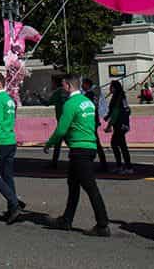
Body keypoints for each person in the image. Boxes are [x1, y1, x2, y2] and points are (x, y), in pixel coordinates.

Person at [44, 73, 110, 237]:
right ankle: (66, 219)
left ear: (67, 85)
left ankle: (102, 225)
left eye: (62, 85)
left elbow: (61, 129)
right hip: (89, 146)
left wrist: (49, 144)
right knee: (73, 184)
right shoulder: (87, 102)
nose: (62, 88)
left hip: (79, 149)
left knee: (90, 187)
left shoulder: (70, 104)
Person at [0, 73, 23, 224]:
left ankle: (14, 203)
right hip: (10, 139)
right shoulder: (9, 100)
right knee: (7, 175)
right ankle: (12, 208)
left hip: (1, 141)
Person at [105, 81, 133, 174]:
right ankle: (123, 165)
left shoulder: (118, 97)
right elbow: (127, 110)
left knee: (118, 145)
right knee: (120, 145)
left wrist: (109, 124)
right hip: (122, 124)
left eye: (111, 87)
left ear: (115, 88)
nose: (110, 89)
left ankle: (125, 166)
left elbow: (115, 112)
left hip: (119, 124)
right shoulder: (121, 96)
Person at [81, 78, 109, 171]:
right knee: (95, 143)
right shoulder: (94, 95)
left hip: (90, 122)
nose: (82, 86)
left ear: (87, 85)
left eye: (83, 84)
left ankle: (92, 162)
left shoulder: (89, 95)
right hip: (94, 121)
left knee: (90, 143)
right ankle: (102, 162)